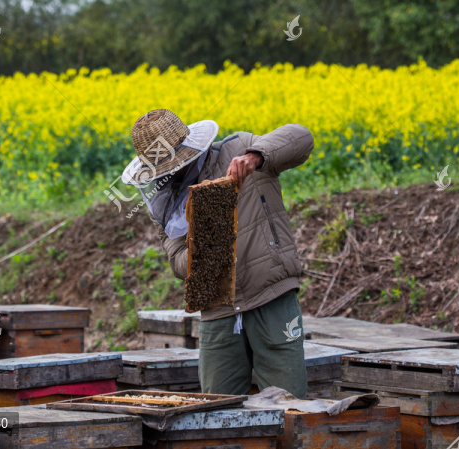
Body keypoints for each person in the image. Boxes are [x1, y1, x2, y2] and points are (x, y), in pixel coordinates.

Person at [120, 108, 314, 397]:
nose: (173, 174)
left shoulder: (238, 148)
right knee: (216, 412)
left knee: (289, 406)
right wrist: (208, 236)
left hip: (271, 296)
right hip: (217, 312)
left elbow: (302, 139)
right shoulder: (165, 203)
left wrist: (256, 155)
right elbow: (177, 264)